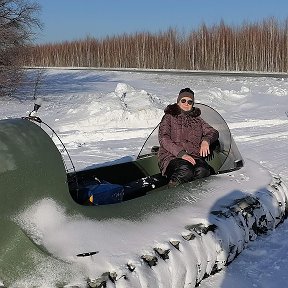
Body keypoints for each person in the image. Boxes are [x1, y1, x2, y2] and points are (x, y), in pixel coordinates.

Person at [158, 88, 219, 186]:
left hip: (194, 156)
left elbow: (213, 132)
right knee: (185, 170)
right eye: (183, 100)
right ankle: (172, 195)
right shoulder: (169, 117)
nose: (186, 103)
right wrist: (181, 154)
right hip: (172, 156)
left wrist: (206, 140)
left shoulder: (197, 119)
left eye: (190, 102)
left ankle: (195, 196)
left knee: (203, 170)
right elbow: (164, 139)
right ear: (178, 102)